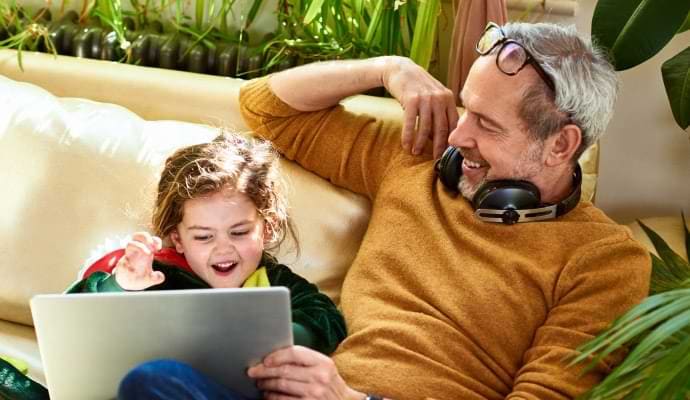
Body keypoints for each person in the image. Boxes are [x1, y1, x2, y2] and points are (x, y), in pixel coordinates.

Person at [238, 22, 651, 400]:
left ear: (560, 145)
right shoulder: (418, 157)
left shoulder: (606, 260)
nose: (458, 134)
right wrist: (388, 69)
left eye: (487, 125)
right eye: (465, 108)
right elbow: (265, 108)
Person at [63, 132, 346, 400]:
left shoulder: (277, 283)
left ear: (267, 228)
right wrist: (120, 286)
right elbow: (73, 322)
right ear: (179, 239)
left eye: (239, 232)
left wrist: (273, 341)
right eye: (203, 237)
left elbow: (327, 318)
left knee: (152, 378)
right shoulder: (159, 276)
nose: (223, 248)